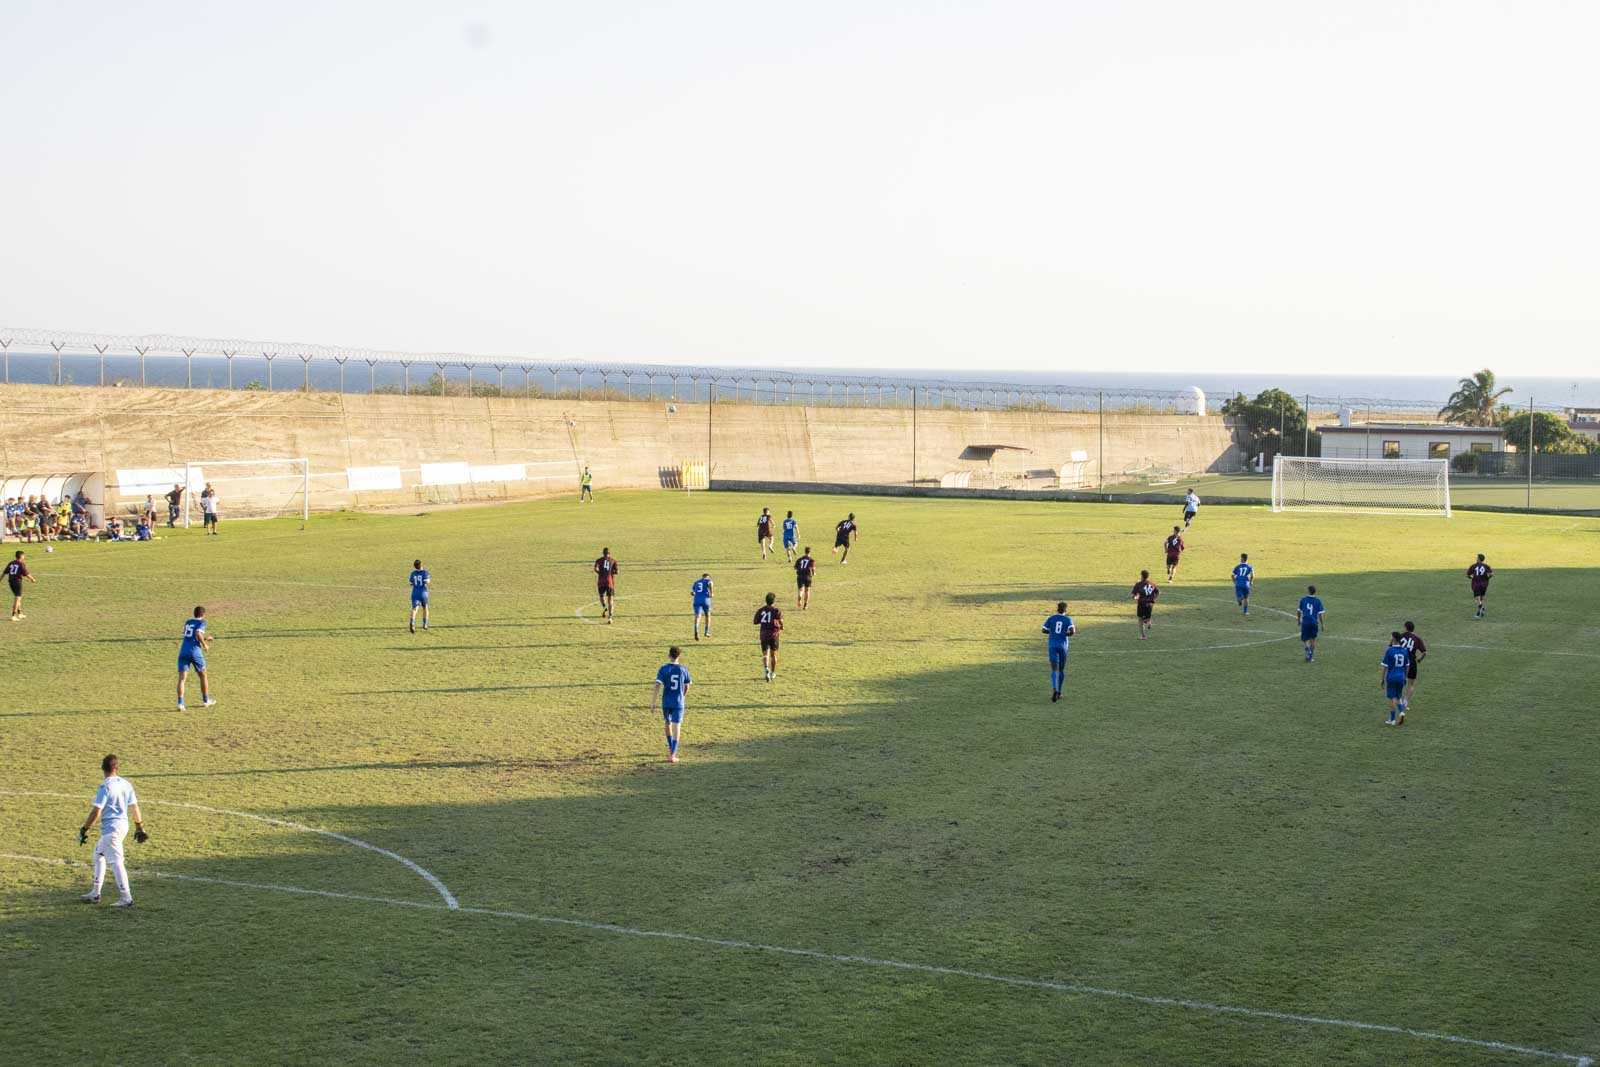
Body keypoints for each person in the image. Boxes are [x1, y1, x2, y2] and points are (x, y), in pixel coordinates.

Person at [77, 754, 148, 907]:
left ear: (103, 768)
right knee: (99, 853)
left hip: (112, 829)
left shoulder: (105, 787)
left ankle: (126, 898)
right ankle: (95, 893)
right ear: (117, 767)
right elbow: (134, 807)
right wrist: (140, 826)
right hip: (123, 826)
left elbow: (96, 811)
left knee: (116, 862)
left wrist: (84, 829)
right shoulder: (126, 784)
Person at [651, 646, 692, 763]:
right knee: (676, 727)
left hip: (666, 702)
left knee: (667, 723)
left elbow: (657, 685)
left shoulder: (663, 669)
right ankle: (672, 755)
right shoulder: (683, 669)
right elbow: (687, 685)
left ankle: (670, 747)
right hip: (678, 702)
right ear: (679, 656)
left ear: (669, 655)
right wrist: (683, 696)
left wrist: (653, 702)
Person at [177, 605, 216, 711]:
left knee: (182, 679)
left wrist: (205, 638)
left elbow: (191, 636)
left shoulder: (188, 622)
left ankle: (180, 704)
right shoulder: (201, 622)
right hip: (195, 652)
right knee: (203, 676)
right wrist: (205, 645)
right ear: (203, 614)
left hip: (183, 651)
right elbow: (198, 633)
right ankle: (206, 700)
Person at [1042, 600, 1076, 702]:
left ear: (1057, 609)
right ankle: (1059, 692)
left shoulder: (1051, 618)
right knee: (1061, 670)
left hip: (1052, 646)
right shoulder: (1068, 619)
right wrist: (1064, 634)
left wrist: (1052, 632)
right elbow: (1072, 632)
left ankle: (1054, 689)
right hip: (1063, 647)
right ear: (1065, 609)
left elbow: (1043, 630)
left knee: (1054, 670)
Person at [1380, 632, 1410, 726]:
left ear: (1394, 639)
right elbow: (1407, 666)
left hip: (1391, 677)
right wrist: (1405, 676)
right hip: (1401, 677)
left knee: (1392, 698)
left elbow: (1385, 667)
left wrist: (1382, 679)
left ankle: (1392, 720)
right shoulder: (1405, 650)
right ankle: (1401, 712)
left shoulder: (1389, 650)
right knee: (1398, 696)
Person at [754, 592, 784, 681]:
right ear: (774, 601)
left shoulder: (761, 610)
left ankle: (766, 668)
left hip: (763, 634)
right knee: (773, 654)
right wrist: (782, 626)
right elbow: (781, 619)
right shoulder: (776, 610)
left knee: (765, 654)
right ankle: (773, 672)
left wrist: (764, 622)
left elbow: (755, 621)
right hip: (774, 634)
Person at [1398, 620, 1427, 710]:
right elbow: (1424, 652)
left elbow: (1392, 647)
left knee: (1400, 681)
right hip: (1412, 662)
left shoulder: (1400, 636)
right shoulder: (1417, 638)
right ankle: (1405, 702)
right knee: (1411, 684)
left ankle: (1399, 701)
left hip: (1401, 660)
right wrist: (1419, 660)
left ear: (1405, 627)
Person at [1297, 585, 1326, 662]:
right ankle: (1310, 658)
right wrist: (1322, 624)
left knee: (1303, 640)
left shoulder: (1303, 600)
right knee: (1312, 640)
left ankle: (1307, 650)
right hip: (1314, 623)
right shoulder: (1318, 601)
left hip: (1306, 622)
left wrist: (1299, 620)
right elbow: (1320, 614)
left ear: (1308, 591)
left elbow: (1299, 611)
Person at [7, 550, 36, 621]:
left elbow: (5, 572)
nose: (24, 556)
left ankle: (19, 614)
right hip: (17, 582)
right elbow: (26, 573)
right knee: (17, 598)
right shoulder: (21, 564)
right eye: (23, 555)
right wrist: (32, 579)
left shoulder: (11, 563)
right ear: (21, 556)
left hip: (11, 582)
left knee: (17, 597)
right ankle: (13, 615)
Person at [1131, 570, 1159, 640]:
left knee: (1140, 619)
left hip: (1141, 604)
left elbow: (1133, 595)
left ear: (1142, 576)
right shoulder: (1152, 584)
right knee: (1147, 617)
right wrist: (1154, 599)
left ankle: (1143, 636)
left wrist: (1135, 597)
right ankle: (1148, 621)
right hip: (1150, 604)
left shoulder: (1138, 584)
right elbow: (1157, 592)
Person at [594, 547, 619, 622]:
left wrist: (600, 573)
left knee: (601, 596)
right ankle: (610, 617)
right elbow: (617, 572)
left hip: (601, 581)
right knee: (610, 600)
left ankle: (605, 608)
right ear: (609, 553)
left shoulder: (599, 560)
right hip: (609, 582)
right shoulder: (613, 561)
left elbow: (596, 569)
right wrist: (611, 573)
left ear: (603, 553)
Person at [1468, 554, 1493, 619]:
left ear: (1479, 559)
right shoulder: (1486, 566)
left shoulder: (1473, 566)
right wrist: (1488, 578)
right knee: (1481, 597)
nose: (1476, 558)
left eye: (1477, 558)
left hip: (1476, 584)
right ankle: (1482, 608)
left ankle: (1480, 611)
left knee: (1477, 598)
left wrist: (1471, 577)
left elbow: (1468, 575)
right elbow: (1491, 574)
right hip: (1484, 584)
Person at [409, 559, 431, 633]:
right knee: (425, 608)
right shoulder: (425, 572)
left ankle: (412, 622)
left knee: (414, 608)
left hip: (415, 592)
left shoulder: (413, 573)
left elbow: (411, 583)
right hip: (423, 592)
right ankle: (425, 624)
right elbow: (427, 581)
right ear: (421, 565)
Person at [691, 573, 713, 640]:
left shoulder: (696, 582)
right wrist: (711, 592)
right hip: (705, 600)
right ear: (707, 577)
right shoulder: (708, 580)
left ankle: (696, 631)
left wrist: (695, 593)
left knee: (697, 616)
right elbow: (710, 583)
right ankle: (706, 632)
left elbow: (692, 592)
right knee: (708, 615)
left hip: (696, 600)